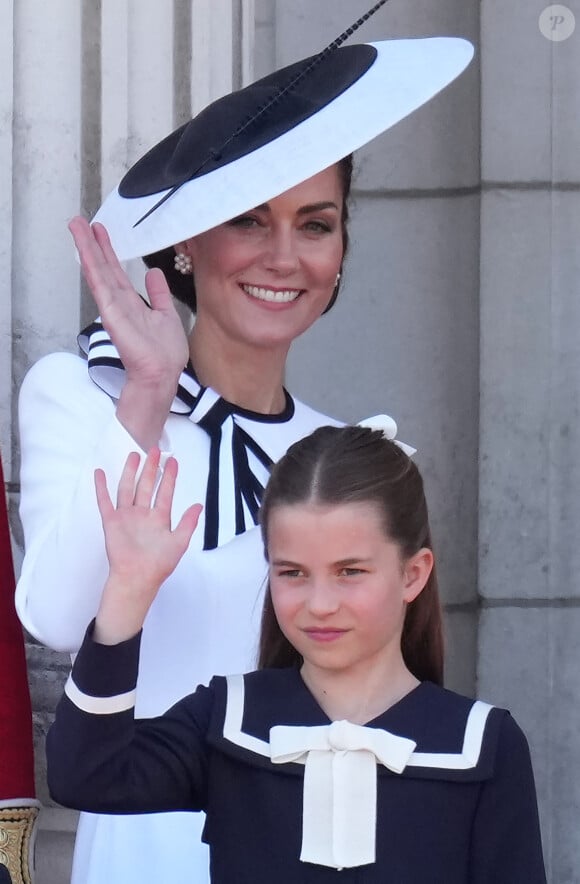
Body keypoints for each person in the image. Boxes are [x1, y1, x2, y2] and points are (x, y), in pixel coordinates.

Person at [15, 5, 474, 881]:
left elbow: (404, 696)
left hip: (326, 850)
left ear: (342, 248)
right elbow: (56, 616)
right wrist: (150, 395)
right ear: (189, 243)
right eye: (249, 221)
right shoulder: (89, 395)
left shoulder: (354, 456)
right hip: (150, 847)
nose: (284, 256)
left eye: (315, 223)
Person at [46, 425, 547, 883]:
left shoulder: (484, 744)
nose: (320, 605)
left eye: (350, 572)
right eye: (292, 573)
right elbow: (84, 775)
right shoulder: (228, 719)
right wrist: (128, 593)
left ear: (413, 574)